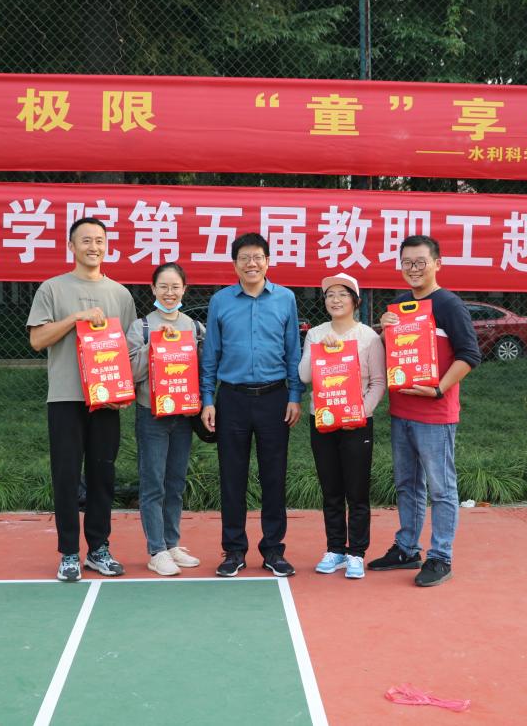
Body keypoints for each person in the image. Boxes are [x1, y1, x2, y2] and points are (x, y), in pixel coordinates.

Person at [27, 217, 137, 582]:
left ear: (107, 246)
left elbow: (127, 350)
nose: (94, 247)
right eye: (86, 240)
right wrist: (76, 318)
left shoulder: (120, 294)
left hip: (106, 400)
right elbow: (37, 340)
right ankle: (69, 553)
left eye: (100, 240)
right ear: (71, 246)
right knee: (66, 475)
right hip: (66, 398)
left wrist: (124, 391)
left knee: (103, 474)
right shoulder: (52, 289)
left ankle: (99, 548)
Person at [368, 235, 482, 587]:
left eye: (420, 262)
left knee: (441, 488)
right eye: (407, 263)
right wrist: (384, 332)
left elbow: (470, 355)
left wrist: (438, 389)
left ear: (437, 264)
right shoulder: (400, 305)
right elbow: (393, 353)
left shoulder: (449, 305)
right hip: (401, 410)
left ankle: (440, 556)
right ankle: (407, 548)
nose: (413, 269)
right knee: (407, 484)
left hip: (435, 413)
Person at [200, 233, 304, 577]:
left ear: (268, 261)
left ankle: (273, 549)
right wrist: (208, 398)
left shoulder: (286, 298)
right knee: (232, 476)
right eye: (244, 258)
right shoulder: (220, 301)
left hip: (275, 398)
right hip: (232, 399)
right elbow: (211, 354)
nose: (252, 264)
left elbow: (293, 350)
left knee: (274, 475)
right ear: (235, 264)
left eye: (258, 257)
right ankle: (234, 550)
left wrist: (294, 395)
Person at [298, 273, 385, 580]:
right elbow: (304, 376)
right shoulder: (315, 334)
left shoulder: (368, 337)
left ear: (355, 301)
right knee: (331, 489)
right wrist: (320, 350)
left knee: (356, 491)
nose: (335, 300)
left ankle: (356, 553)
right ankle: (335, 548)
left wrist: (359, 413)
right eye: (330, 295)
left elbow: (378, 383)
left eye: (342, 294)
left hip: (357, 423)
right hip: (322, 420)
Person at [126, 262, 204, 576]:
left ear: (184, 289)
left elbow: (203, 370)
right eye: (163, 287)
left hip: (183, 415)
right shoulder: (141, 327)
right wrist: (155, 345)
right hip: (151, 415)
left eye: (175, 287)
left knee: (175, 483)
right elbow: (131, 373)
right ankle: (156, 550)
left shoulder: (195, 327)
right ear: (153, 289)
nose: (169, 293)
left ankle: (172, 543)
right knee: (153, 484)